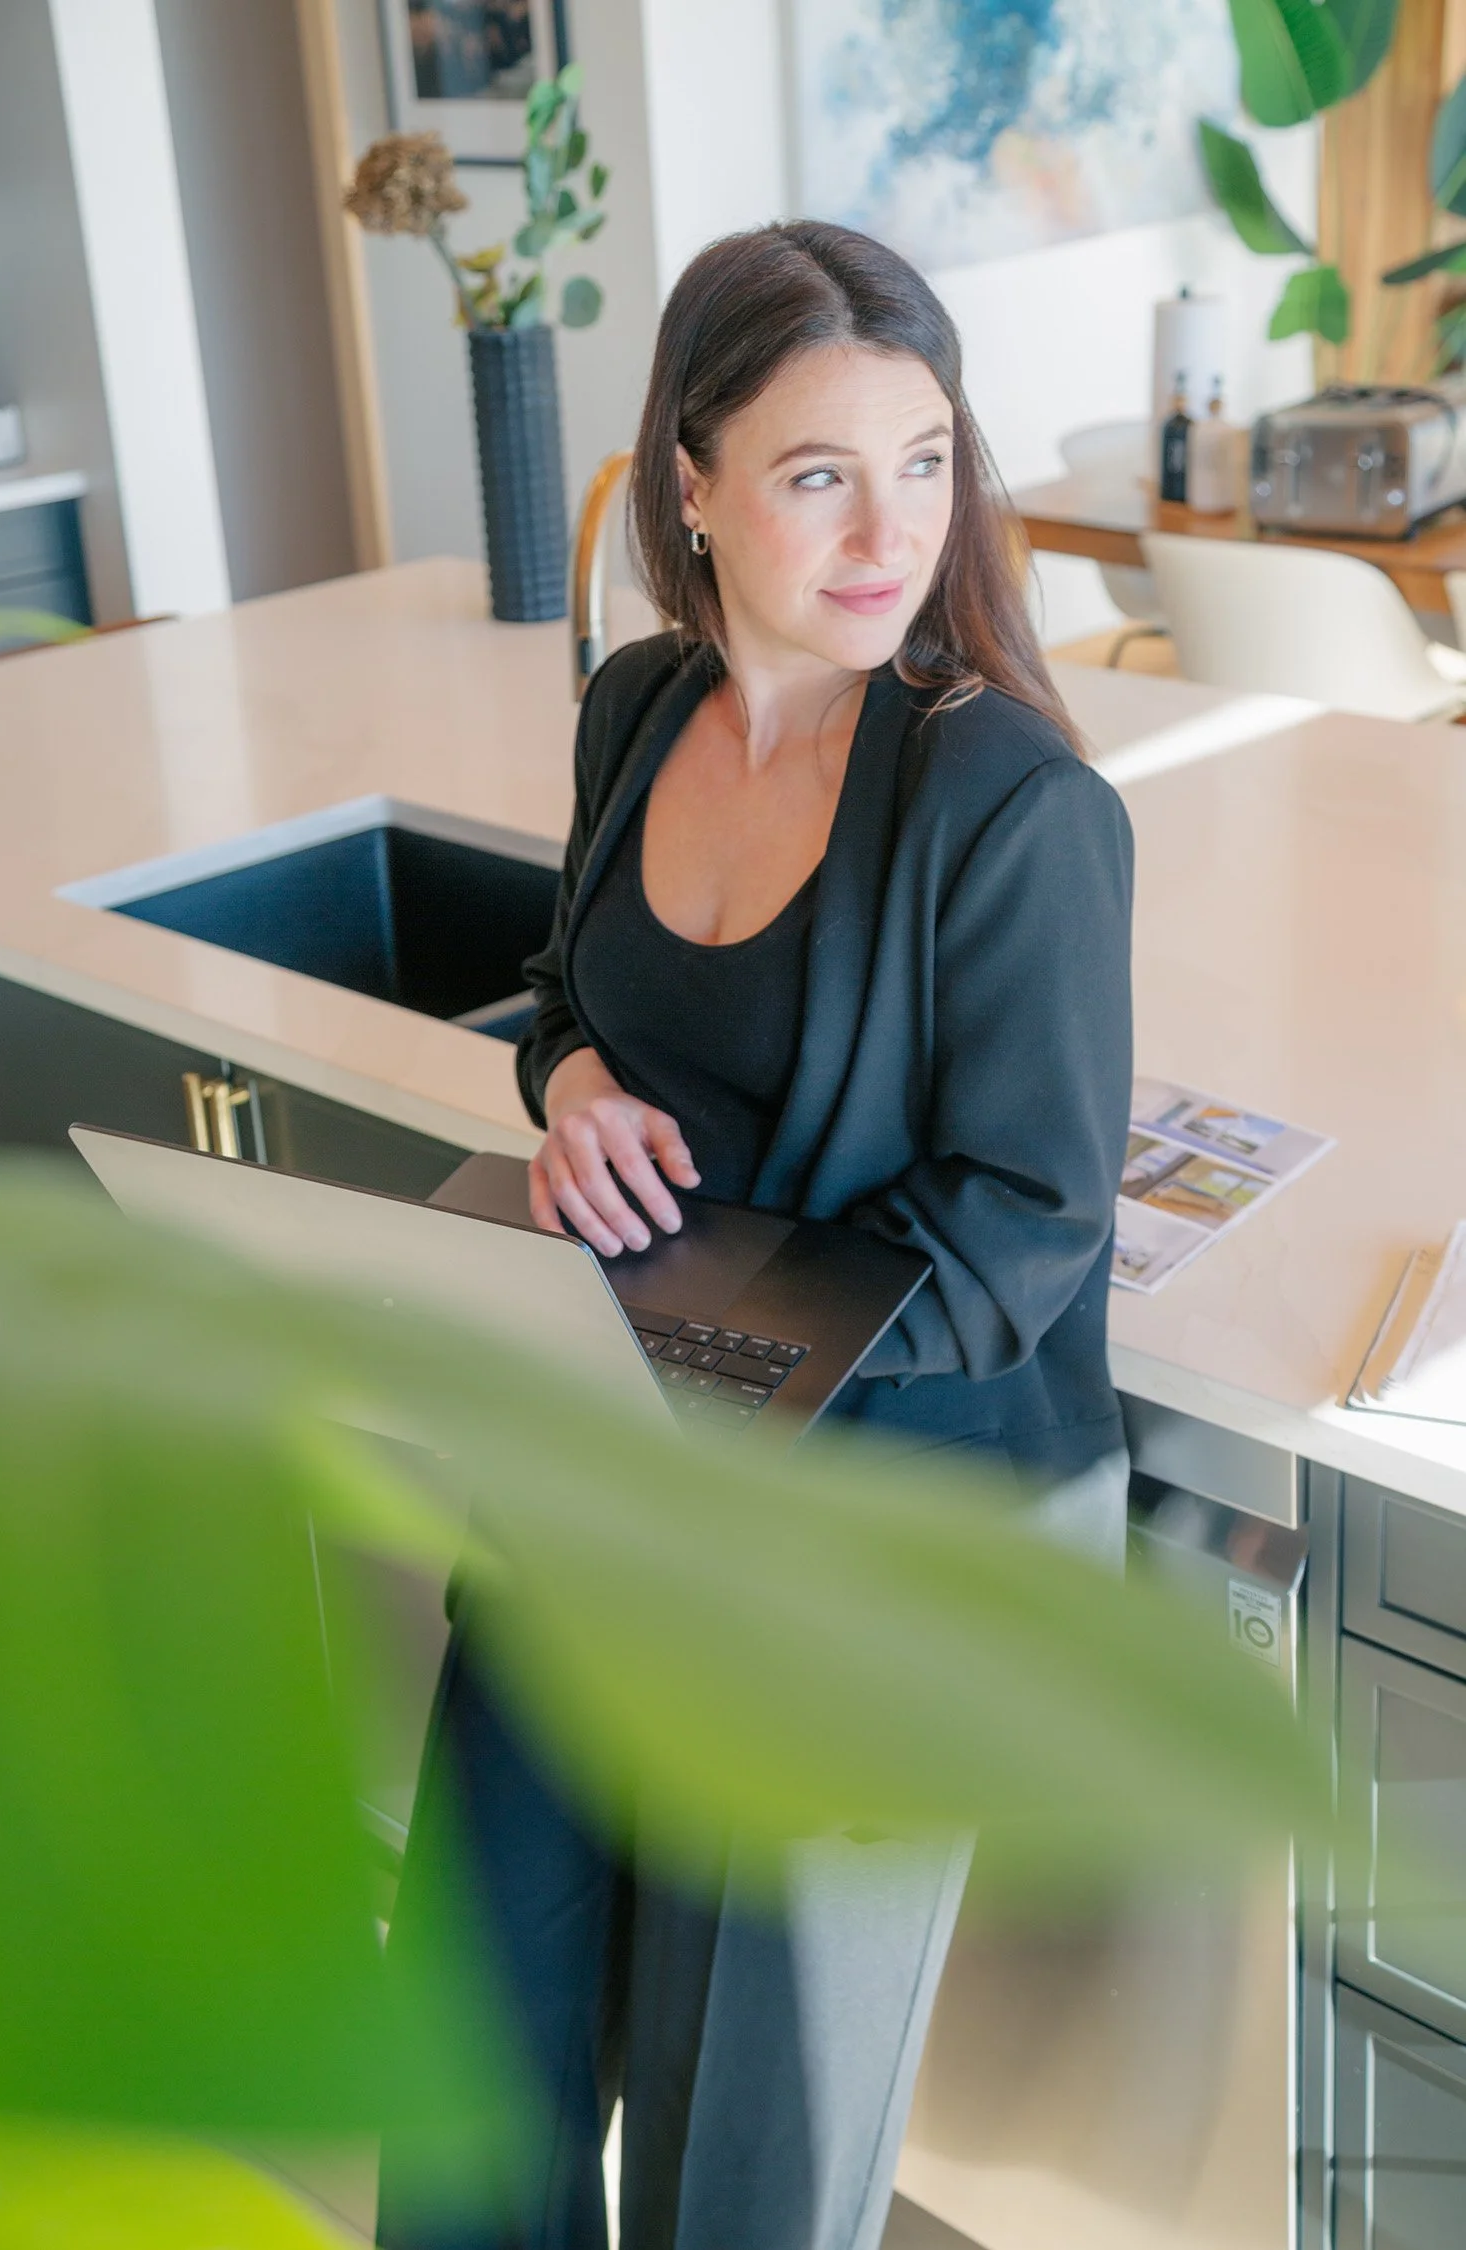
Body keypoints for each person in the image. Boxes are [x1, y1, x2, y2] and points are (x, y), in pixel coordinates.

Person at [377, 218, 1133, 2250]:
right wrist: (569, 1090)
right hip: (601, 1474)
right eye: (817, 473)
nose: (889, 528)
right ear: (690, 486)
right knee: (467, 2041)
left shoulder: (1013, 811)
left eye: (924, 458)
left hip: (853, 1542)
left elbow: (1023, 1236)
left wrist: (713, 1347)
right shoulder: (637, 712)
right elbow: (569, 996)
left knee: (741, 2158)